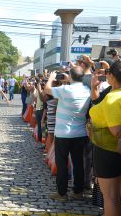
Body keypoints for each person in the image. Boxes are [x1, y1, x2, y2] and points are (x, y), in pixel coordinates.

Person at [45, 66, 91, 201]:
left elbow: (47, 89)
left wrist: (51, 78)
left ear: (70, 76)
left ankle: (62, 193)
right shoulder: (87, 90)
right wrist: (69, 80)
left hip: (63, 133)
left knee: (62, 164)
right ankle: (78, 191)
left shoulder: (65, 89)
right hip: (80, 133)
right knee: (78, 164)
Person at [89, 60, 121, 216]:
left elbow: (116, 131)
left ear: (111, 76)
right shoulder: (117, 93)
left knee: (110, 197)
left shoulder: (113, 99)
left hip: (109, 151)